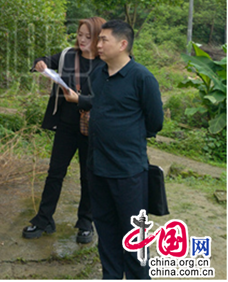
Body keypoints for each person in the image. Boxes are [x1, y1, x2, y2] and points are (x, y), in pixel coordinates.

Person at [64, 20, 163, 279]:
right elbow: (99, 103)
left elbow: (155, 122)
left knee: (134, 235)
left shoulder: (142, 78)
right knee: (106, 231)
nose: (98, 44)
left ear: (122, 44)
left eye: (103, 39)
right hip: (97, 168)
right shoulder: (98, 74)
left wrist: (126, 136)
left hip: (128, 172)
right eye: (98, 39)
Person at [22, 17, 106, 244]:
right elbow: (42, 60)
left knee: (88, 176)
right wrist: (40, 64)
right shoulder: (68, 55)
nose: (82, 40)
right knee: (55, 172)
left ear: (99, 38)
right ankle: (44, 219)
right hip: (67, 125)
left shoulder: (107, 63)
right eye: (80, 35)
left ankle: (86, 223)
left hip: (93, 128)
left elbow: (109, 100)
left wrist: (81, 100)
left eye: (88, 36)